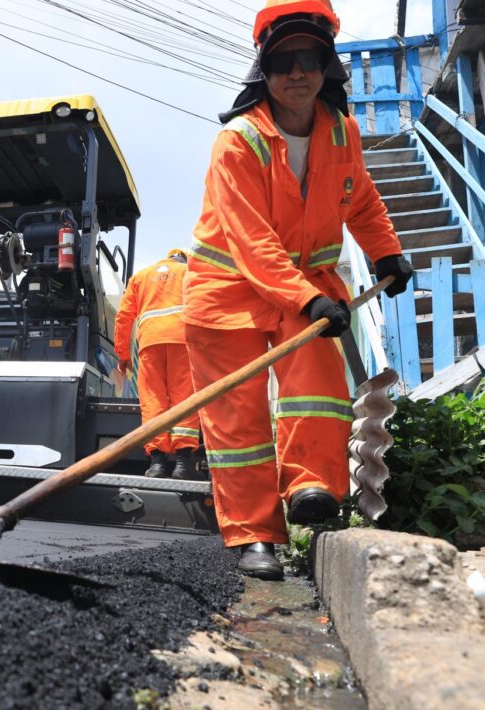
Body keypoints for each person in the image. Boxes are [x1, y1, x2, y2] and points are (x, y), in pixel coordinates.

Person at [184, 0, 413, 580]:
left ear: (325, 65)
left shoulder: (342, 131)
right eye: (284, 61)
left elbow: (357, 196)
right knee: (238, 424)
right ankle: (255, 534)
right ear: (265, 69)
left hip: (306, 288)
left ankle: (310, 488)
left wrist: (385, 249)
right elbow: (250, 238)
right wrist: (307, 298)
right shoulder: (238, 141)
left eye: (309, 59)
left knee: (317, 386)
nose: (297, 73)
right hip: (227, 292)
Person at [114, 249, 202, 480]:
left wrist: (122, 355)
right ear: (183, 258)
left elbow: (123, 317)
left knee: (153, 401)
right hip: (182, 342)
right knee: (184, 399)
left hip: (149, 344)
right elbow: (206, 306)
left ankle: (157, 464)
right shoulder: (190, 272)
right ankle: (183, 464)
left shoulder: (140, 277)